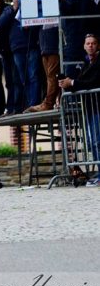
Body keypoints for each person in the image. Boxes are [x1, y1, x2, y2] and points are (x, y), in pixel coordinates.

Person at [59, 34, 100, 185]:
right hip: (89, 107)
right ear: (84, 46)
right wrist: (68, 85)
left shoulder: (98, 62)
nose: (90, 46)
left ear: (98, 45)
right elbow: (82, 82)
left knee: (97, 141)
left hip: (96, 106)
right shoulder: (85, 63)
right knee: (92, 142)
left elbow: (93, 81)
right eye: (88, 43)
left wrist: (73, 82)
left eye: (93, 43)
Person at [61, 0, 95, 79]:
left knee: (70, 78)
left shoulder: (71, 1)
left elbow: (61, 10)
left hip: (73, 45)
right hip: (91, 45)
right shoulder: (92, 1)